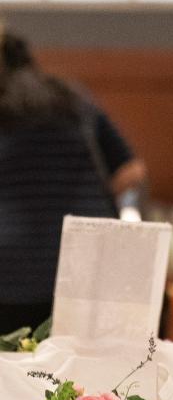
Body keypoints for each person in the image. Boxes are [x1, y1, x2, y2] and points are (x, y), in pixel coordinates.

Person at [0, 28, 146, 334]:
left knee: (13, 370)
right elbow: (130, 171)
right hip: (88, 262)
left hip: (12, 272)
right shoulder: (73, 98)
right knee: (79, 372)